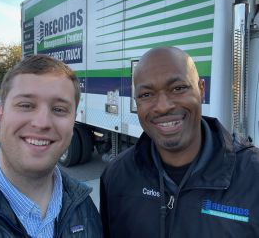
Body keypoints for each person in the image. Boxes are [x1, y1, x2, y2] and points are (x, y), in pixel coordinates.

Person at [100, 46, 259, 238]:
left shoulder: (253, 177)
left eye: (178, 88)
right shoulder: (116, 176)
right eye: (146, 95)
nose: (163, 106)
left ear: (201, 90)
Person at [0, 55, 103, 237]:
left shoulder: (85, 207)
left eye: (59, 109)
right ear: (0, 116)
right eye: (26, 105)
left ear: (73, 123)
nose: (42, 123)